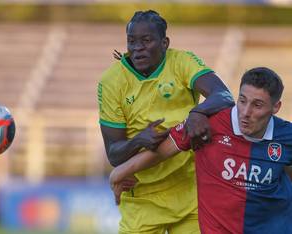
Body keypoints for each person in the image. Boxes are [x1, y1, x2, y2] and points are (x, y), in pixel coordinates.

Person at [97, 10, 234, 234]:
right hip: (142, 198)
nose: (137, 48)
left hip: (191, 193)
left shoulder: (182, 61)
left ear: (165, 42)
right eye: (131, 41)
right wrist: (139, 140)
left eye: (146, 40)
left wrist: (197, 113)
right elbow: (114, 154)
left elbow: (224, 96)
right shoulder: (111, 81)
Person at [110, 67, 292, 234]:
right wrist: (118, 173)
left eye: (257, 105)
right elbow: (160, 152)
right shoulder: (208, 124)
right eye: (242, 100)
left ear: (275, 107)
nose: (245, 112)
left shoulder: (286, 136)